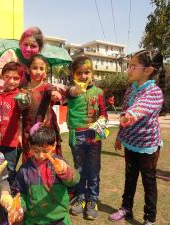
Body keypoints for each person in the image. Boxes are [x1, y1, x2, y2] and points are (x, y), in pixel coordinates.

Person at [108, 50, 164, 225]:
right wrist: (120, 136)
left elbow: (141, 107)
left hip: (148, 146)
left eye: (133, 66)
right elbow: (125, 111)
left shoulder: (154, 92)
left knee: (149, 182)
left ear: (148, 70)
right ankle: (126, 208)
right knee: (130, 177)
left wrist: (131, 115)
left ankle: (150, 219)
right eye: (129, 65)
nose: (129, 69)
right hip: (130, 144)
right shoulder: (130, 90)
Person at [12, 124, 80, 225]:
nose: (40, 155)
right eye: (36, 151)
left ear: (54, 145)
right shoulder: (25, 169)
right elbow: (19, 192)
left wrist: (66, 172)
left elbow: (74, 181)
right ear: (30, 146)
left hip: (59, 220)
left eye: (46, 151)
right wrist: (20, 207)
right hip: (33, 220)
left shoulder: (59, 163)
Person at [67, 56, 107, 220]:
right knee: (79, 169)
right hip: (76, 136)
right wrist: (75, 91)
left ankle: (92, 200)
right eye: (79, 73)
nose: (83, 76)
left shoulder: (99, 92)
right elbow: (67, 94)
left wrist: (101, 122)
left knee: (93, 170)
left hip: (93, 137)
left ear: (92, 73)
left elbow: (104, 113)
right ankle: (81, 197)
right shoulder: (70, 92)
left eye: (87, 72)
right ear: (73, 75)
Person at [16, 54, 63, 163]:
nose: (38, 71)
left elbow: (51, 90)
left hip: (45, 133)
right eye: (35, 68)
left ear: (45, 72)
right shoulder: (23, 91)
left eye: (42, 68)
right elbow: (19, 114)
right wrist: (19, 134)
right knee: (30, 164)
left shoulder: (47, 87)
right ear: (28, 70)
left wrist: (55, 93)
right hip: (28, 135)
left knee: (47, 162)